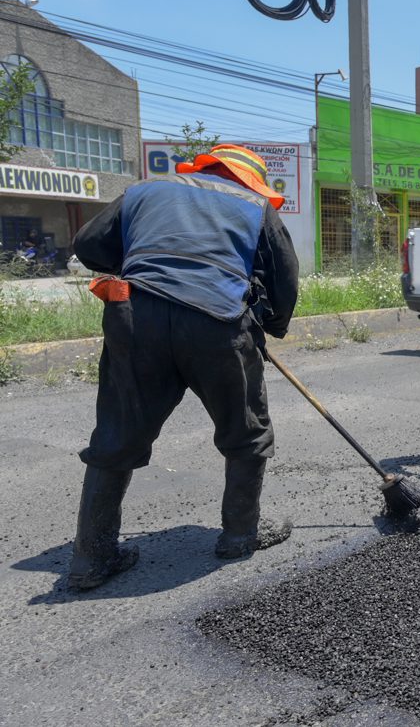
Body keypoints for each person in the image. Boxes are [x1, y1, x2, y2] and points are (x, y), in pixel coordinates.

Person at [66, 144, 299, 591]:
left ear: (206, 167)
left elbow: (90, 244)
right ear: (249, 181)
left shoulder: (144, 191)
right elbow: (283, 278)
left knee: (117, 434)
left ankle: (91, 559)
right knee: (245, 430)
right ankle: (238, 536)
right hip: (216, 325)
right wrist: (270, 326)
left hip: (134, 318)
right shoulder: (254, 207)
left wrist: (145, 265)